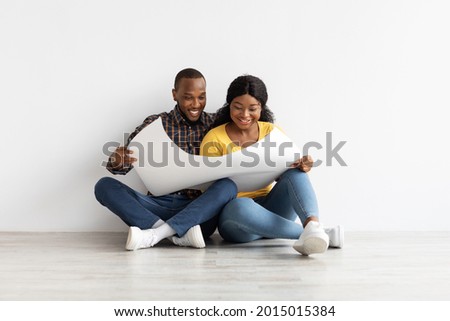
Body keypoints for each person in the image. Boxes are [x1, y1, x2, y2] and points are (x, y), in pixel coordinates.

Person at [94, 68, 237, 250]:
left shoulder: (216, 124)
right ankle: (173, 234)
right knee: (104, 185)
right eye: (188, 97)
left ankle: (154, 235)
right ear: (174, 94)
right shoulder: (156, 123)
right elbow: (123, 165)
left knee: (228, 186)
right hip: (156, 206)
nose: (196, 104)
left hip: (197, 211)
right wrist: (117, 160)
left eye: (201, 97)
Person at [200, 75, 343, 255]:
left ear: (261, 108)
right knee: (240, 206)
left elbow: (284, 173)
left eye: (252, 109)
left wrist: (302, 164)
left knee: (295, 172)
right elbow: (210, 193)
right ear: (229, 106)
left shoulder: (272, 133)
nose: (245, 115)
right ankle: (322, 235)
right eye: (237, 108)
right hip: (236, 219)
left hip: (273, 210)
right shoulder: (214, 138)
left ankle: (312, 226)